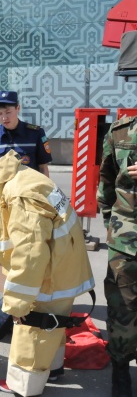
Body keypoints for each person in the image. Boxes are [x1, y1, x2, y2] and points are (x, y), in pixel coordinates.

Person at [0, 150, 94, 396]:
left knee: (31, 326)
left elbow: (29, 254)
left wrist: (17, 304)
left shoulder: (18, 194)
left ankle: (23, 385)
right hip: (65, 265)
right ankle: (52, 369)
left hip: (50, 273)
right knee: (53, 323)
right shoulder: (21, 174)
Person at [0, 90, 53, 326]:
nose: (4, 117)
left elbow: (43, 170)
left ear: (18, 109)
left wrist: (49, 201)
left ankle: (24, 307)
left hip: (28, 209)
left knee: (27, 257)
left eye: (8, 112)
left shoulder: (35, 133)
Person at [97, 115, 137, 397]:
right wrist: (114, 226)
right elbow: (107, 181)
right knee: (122, 310)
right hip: (126, 240)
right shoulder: (120, 132)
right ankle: (120, 374)